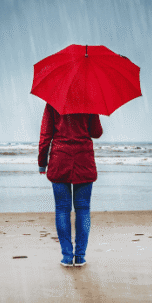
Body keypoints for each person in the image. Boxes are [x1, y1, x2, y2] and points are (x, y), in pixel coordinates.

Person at [38, 102, 103, 267]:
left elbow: (45, 135)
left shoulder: (53, 101)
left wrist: (42, 162)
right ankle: (80, 256)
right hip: (84, 160)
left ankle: (67, 256)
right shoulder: (89, 102)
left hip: (60, 159)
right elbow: (96, 133)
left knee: (62, 209)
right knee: (83, 209)